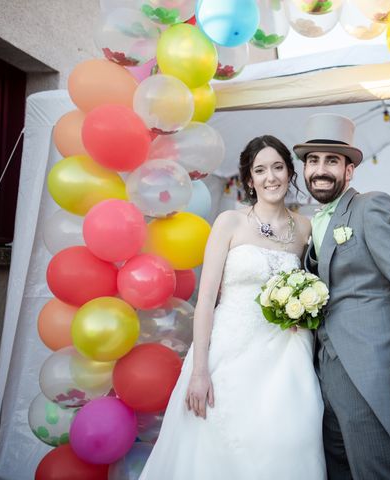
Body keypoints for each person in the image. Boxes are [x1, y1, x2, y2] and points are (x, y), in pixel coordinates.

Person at [139, 135, 326, 479]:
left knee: (287, 442)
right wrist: (199, 370)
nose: (270, 177)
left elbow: (316, 284)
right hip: (229, 353)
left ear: (289, 173)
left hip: (286, 357)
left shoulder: (306, 229)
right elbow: (206, 300)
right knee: (218, 448)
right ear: (250, 180)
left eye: (278, 167)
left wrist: (306, 309)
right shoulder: (230, 222)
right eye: (260, 170)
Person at [295, 113, 390, 479]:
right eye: (313, 161)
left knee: (377, 469)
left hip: (372, 373)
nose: (320, 169)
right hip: (324, 372)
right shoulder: (312, 225)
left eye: (331, 160)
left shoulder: (371, 206)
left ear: (349, 170)